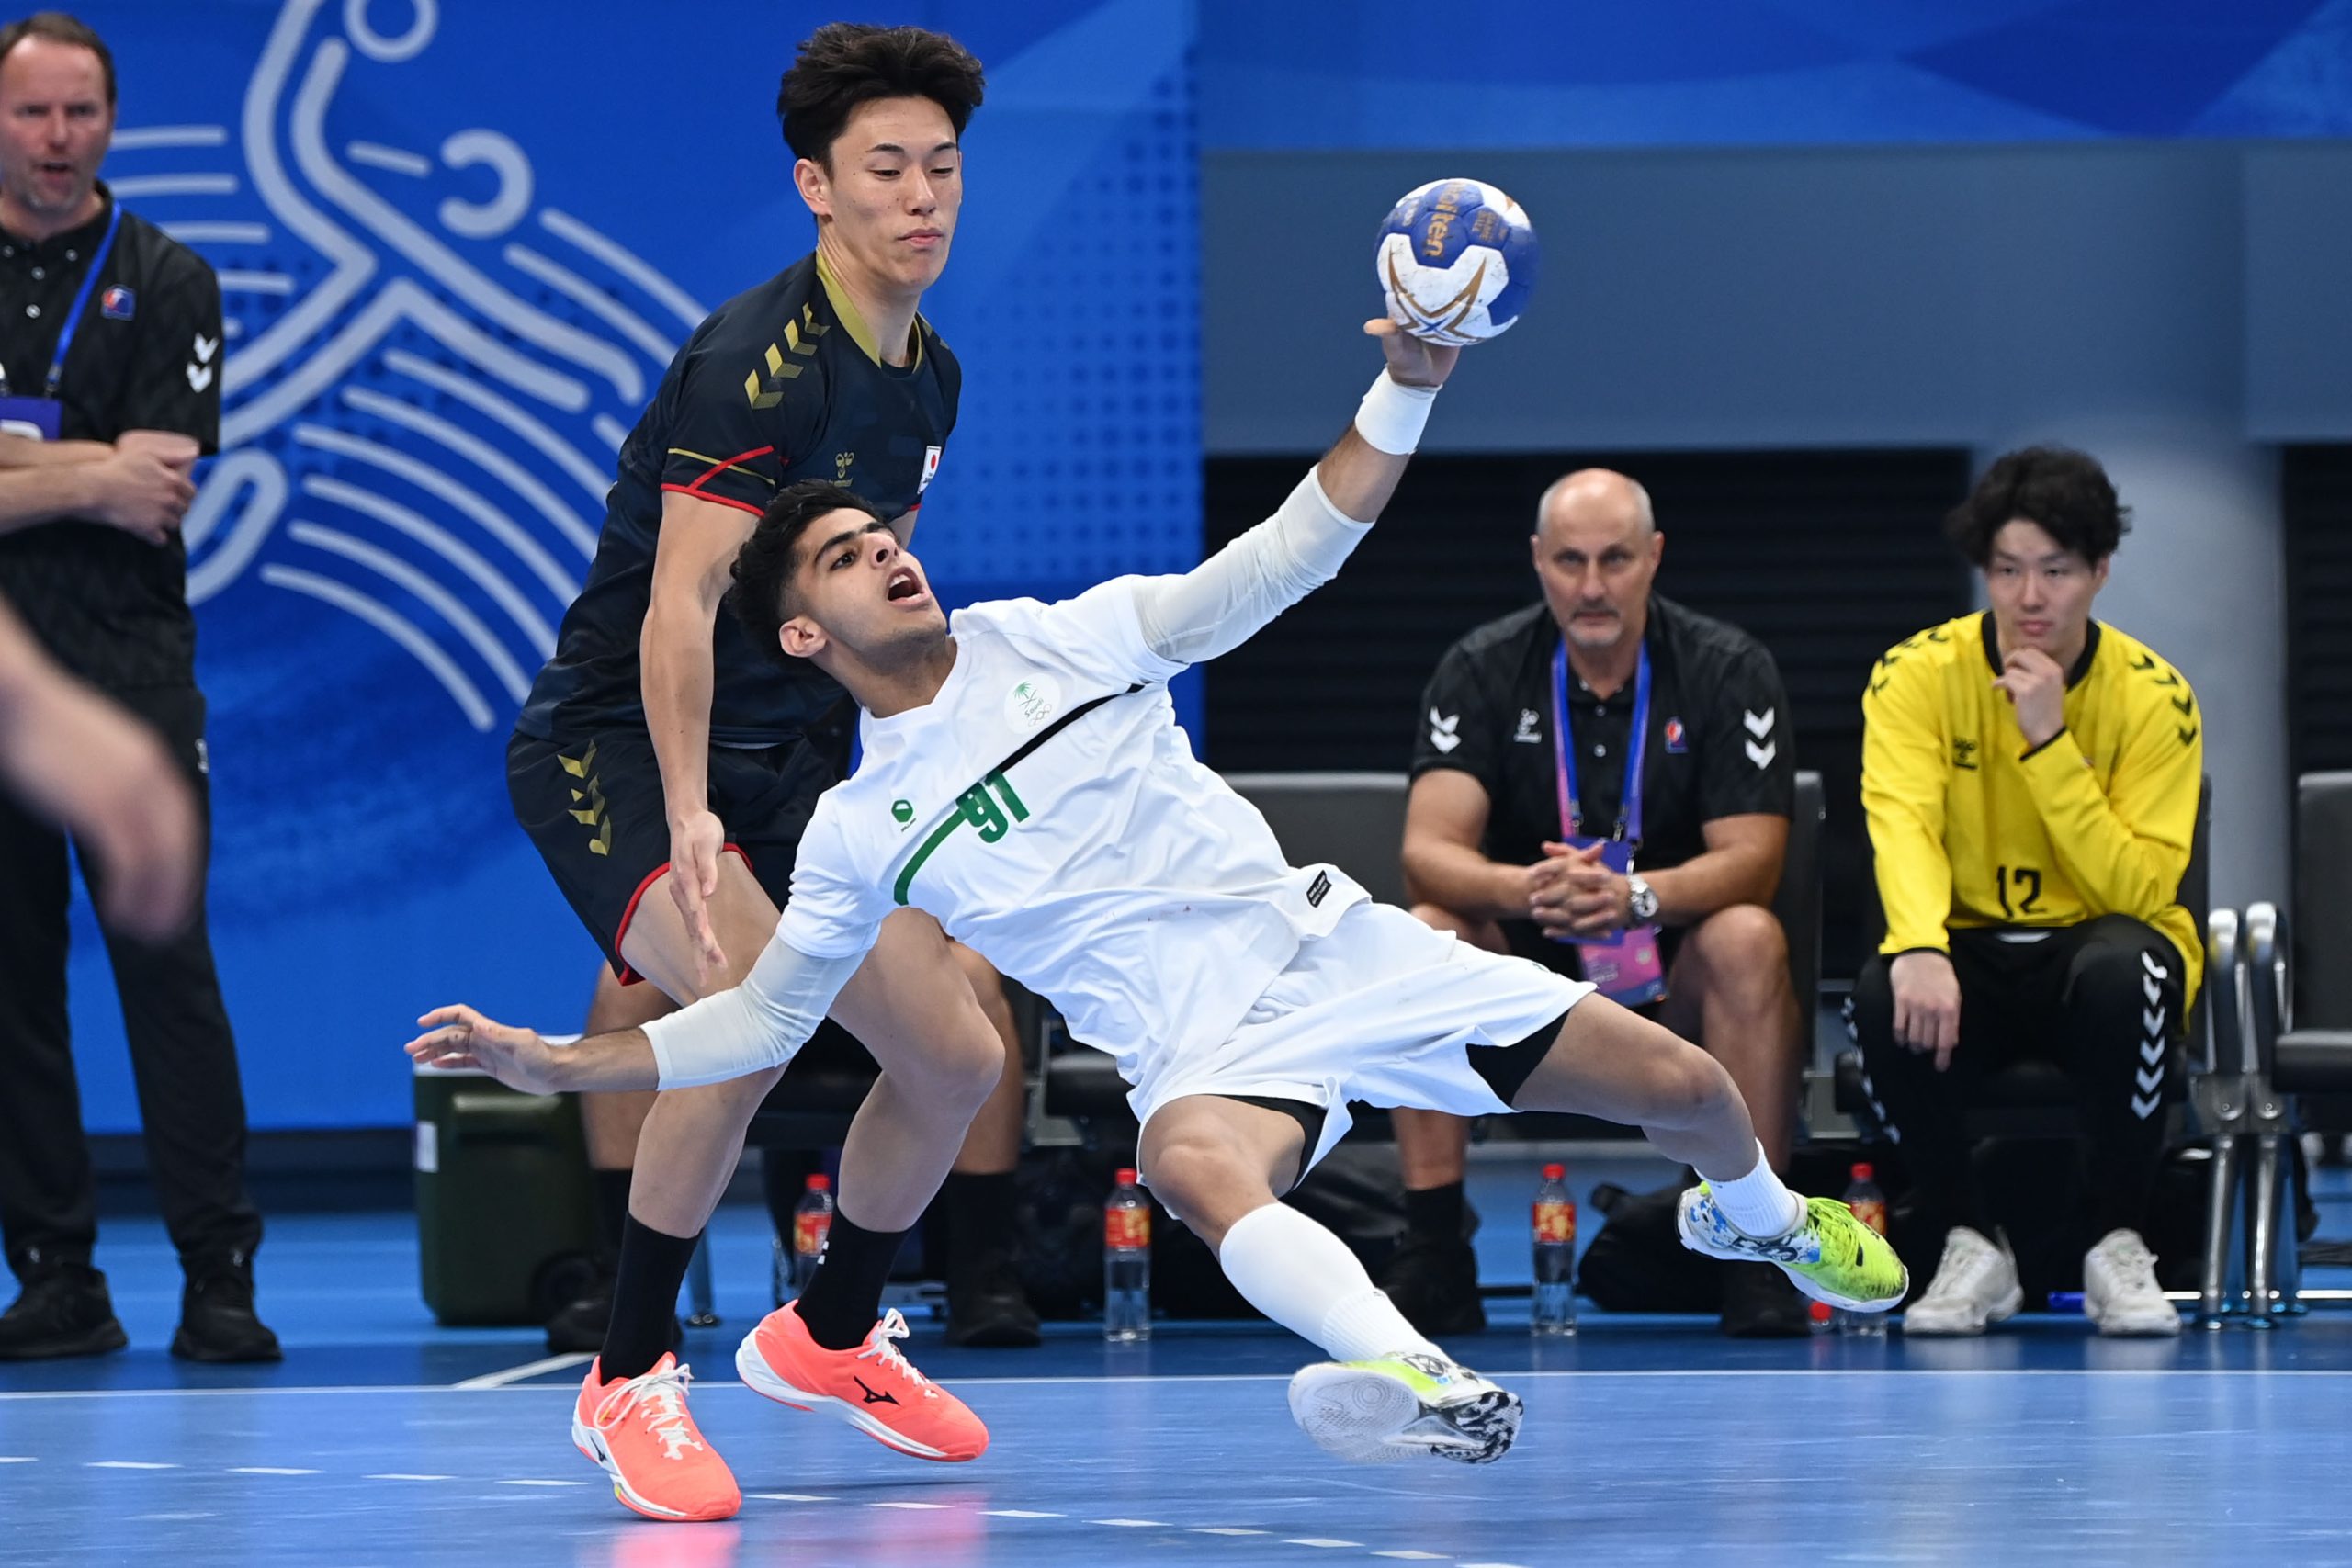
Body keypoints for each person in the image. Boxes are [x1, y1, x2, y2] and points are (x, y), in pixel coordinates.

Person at [413, 314, 1907, 1497]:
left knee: (1689, 1090)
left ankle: (1764, 1220)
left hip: (1339, 949)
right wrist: (563, 1062)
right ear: (806, 634)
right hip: (1199, 1046)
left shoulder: (1061, 638)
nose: (891, 554)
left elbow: (1288, 555)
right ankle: (1426, 1378)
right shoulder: (862, 831)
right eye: (849, 559)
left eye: (887, 535)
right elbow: (754, 1020)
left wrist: (1405, 386)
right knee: (1192, 1162)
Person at [502, 20, 1031, 1521]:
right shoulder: (759, 365)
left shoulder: (928, 380)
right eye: (887, 168)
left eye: (942, 167)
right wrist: (686, 813)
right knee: (742, 1024)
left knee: (959, 1053)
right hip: (621, 747)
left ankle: (833, 1329)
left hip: (794, 760)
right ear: (817, 186)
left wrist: (910, 784)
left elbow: (867, 615)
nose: (921, 196)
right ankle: (627, 1370)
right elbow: (680, 603)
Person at [0, 10, 277, 1364]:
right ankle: (57, 1274)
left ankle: (217, 1273)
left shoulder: (169, 277)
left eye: (81, 113)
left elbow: (157, 488)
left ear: (112, 122)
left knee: (167, 971)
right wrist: (86, 471)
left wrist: (38, 468)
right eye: (31, 112)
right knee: (10, 986)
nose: (57, 138)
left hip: (131, 666)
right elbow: (113, 476)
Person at [1395, 469, 1807, 1337]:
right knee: (1426, 931)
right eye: (1570, 560)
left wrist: (1636, 896)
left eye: (1614, 559)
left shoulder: (1729, 669)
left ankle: (1758, 1246)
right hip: (1526, 986)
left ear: (1653, 556)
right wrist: (1527, 887)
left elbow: (1755, 859)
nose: (1591, 586)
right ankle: (1435, 1253)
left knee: (1748, 935)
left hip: (1673, 982)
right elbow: (1427, 850)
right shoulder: (1480, 668)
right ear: (1537, 560)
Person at [1851, 446, 2199, 1337]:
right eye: (2007, 570)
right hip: (1969, 951)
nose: (2030, 597)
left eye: (2056, 570)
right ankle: (1969, 1240)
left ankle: (2119, 1240)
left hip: (2093, 952)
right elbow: (1901, 822)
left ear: (2099, 571)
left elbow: (2139, 888)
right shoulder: (1914, 676)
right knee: (1880, 989)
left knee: (2134, 969)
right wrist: (1917, 942)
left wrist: (2049, 746)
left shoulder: (2156, 698)